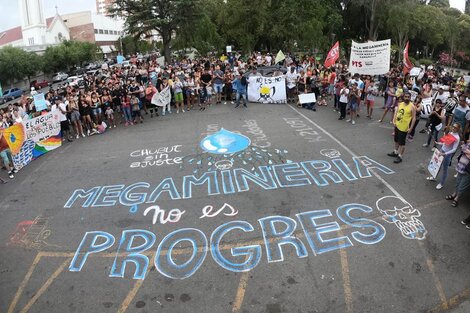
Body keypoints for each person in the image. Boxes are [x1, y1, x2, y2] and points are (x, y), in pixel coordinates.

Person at [427, 124, 460, 189]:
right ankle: (434, 177)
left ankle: (441, 183)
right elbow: (445, 142)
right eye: (453, 127)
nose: (453, 128)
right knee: (437, 165)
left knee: (445, 169)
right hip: (441, 150)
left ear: (458, 129)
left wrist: (445, 154)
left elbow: (454, 149)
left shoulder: (457, 138)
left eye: (455, 128)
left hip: (447, 155)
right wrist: (439, 143)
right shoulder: (450, 133)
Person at [387, 92, 416, 163]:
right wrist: (394, 121)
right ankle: (395, 152)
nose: (407, 98)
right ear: (403, 97)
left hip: (404, 128)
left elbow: (414, 118)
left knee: (402, 143)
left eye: (408, 97)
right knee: (396, 140)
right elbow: (397, 113)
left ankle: (400, 156)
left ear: (410, 97)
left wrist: (411, 128)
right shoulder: (400, 104)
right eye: (405, 97)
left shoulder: (412, 106)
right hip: (397, 125)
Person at [445, 139, 470, 207]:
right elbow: (463, 149)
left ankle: (456, 199)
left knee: (462, 186)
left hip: (468, 170)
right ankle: (454, 194)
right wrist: (466, 151)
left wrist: (466, 151)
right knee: (458, 182)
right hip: (461, 167)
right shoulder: (468, 143)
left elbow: (464, 149)